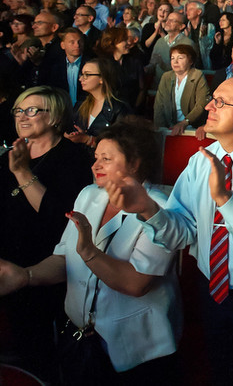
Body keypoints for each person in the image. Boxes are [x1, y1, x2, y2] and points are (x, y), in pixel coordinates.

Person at [104, 77, 233, 386]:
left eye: (221, 102)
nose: (210, 105)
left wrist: (225, 199)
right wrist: (147, 208)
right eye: (212, 99)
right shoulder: (199, 162)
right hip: (214, 293)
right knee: (224, 374)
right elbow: (183, 232)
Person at [0, 117, 181, 384]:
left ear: (135, 163)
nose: (95, 165)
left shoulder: (160, 210)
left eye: (106, 158)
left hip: (138, 349)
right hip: (81, 339)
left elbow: (136, 283)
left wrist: (88, 251)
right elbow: (64, 258)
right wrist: (26, 276)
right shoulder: (89, 195)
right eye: (96, 157)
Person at [0, 86, 93, 379]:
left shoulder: (74, 158)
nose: (22, 117)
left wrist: (23, 174)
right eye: (18, 110)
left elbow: (61, 219)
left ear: (54, 117)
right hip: (7, 266)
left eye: (32, 110)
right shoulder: (11, 153)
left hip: (48, 269)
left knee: (42, 359)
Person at [66, 57, 131, 149]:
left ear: (102, 79)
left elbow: (122, 143)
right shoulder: (80, 106)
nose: (81, 79)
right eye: (82, 74)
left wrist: (88, 139)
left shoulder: (119, 108)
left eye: (87, 75)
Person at [154, 44, 210, 135]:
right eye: (172, 58)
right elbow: (158, 106)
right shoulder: (166, 77)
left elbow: (201, 104)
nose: (175, 62)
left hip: (191, 127)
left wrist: (184, 123)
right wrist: (161, 129)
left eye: (180, 58)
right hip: (168, 127)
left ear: (190, 61)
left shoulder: (197, 75)